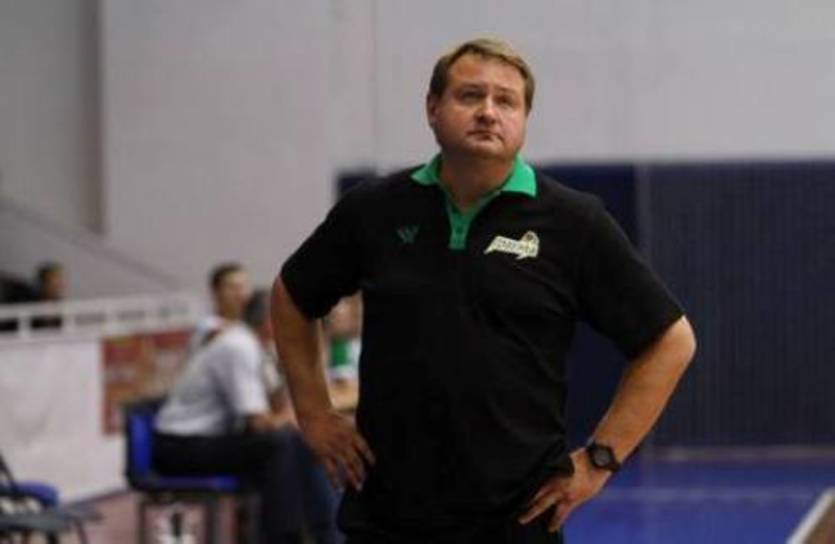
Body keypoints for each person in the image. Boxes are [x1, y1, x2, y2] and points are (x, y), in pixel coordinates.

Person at [271, 38, 697, 543]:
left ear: (524, 119)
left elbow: (671, 342)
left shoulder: (573, 222)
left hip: (515, 520)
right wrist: (315, 415)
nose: (488, 112)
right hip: (386, 516)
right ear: (433, 108)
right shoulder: (375, 208)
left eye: (506, 101)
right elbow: (292, 297)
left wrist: (600, 459)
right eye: (470, 96)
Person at [154, 290, 343, 544]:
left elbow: (277, 405)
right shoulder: (238, 346)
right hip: (177, 447)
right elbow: (259, 422)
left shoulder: (258, 347)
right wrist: (294, 420)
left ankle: (328, 531)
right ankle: (285, 537)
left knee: (298, 441)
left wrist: (289, 364)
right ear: (271, 321)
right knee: (280, 443)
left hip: (209, 439)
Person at [190, 262, 254, 350]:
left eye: (244, 287)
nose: (241, 294)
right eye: (233, 288)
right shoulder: (208, 327)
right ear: (216, 292)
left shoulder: (252, 326)